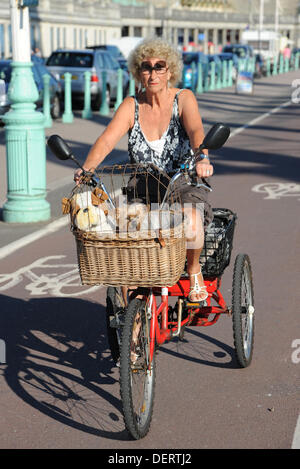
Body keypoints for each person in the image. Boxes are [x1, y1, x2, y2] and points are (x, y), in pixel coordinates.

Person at [74, 37, 214, 302]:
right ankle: (131, 318)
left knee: (192, 221)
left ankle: (193, 269)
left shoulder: (182, 99)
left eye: (159, 66)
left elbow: (196, 130)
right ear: (138, 73)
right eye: (146, 67)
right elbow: (106, 140)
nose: (153, 73)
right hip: (143, 185)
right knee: (122, 233)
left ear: (169, 70)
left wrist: (202, 159)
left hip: (183, 181)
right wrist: (87, 169)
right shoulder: (131, 106)